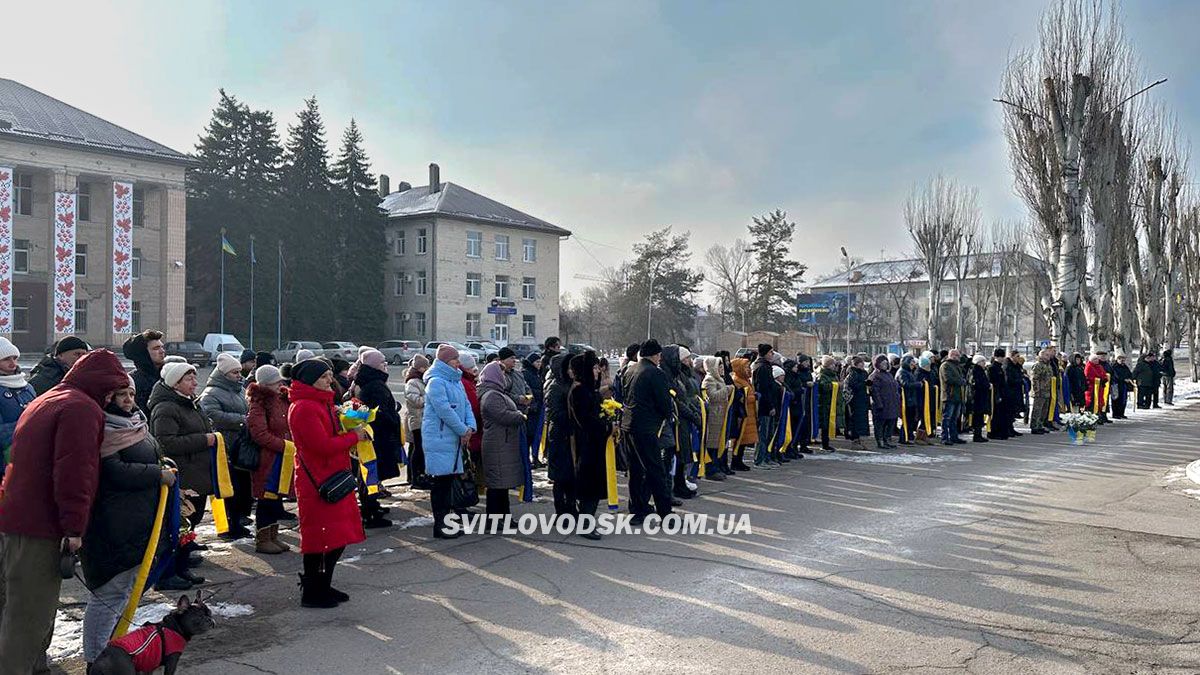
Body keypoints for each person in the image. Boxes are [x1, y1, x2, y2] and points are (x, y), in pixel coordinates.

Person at [0, 349, 130, 673]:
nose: (113, 397)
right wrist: (74, 528)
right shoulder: (81, 409)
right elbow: (74, 473)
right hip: (42, 526)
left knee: (13, 608)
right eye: (112, 389)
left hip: (15, 518)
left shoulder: (49, 398)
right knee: (28, 619)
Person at [79, 379, 176, 665]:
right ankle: (96, 659)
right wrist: (156, 474)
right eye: (121, 394)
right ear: (108, 397)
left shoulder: (134, 423)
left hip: (137, 521)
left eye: (131, 393)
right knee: (108, 593)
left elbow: (149, 455)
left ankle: (114, 651)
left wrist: (164, 465)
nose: (127, 400)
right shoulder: (102, 429)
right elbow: (114, 471)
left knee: (125, 590)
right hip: (112, 524)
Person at [288, 359, 368, 608]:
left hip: (334, 477)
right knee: (320, 539)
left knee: (336, 537)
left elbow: (337, 429)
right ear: (310, 381)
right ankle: (312, 590)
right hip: (318, 482)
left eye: (329, 376)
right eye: (323, 377)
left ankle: (323, 584)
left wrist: (355, 415)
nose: (329, 381)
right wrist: (353, 437)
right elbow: (320, 446)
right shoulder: (304, 408)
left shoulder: (324, 404)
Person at [149, 361, 215, 590]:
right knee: (176, 527)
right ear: (175, 383)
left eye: (194, 378)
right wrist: (204, 440)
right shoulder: (166, 407)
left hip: (197, 474)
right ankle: (167, 574)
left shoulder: (190, 403)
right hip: (182, 477)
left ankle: (181, 568)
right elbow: (165, 442)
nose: (195, 383)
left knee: (190, 524)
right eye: (189, 379)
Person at [421, 345, 476, 539]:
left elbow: (466, 405)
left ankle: (448, 523)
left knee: (449, 483)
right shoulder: (436, 382)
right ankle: (441, 525)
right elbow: (444, 410)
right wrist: (463, 429)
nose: (458, 363)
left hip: (454, 439)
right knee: (441, 485)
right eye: (454, 359)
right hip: (441, 439)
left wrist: (470, 427)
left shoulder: (456, 380)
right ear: (445, 361)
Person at [619, 340, 675, 524]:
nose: (660, 359)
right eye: (659, 355)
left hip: (628, 425)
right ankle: (665, 513)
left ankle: (637, 509)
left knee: (635, 470)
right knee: (655, 470)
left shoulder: (630, 370)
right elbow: (664, 402)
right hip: (647, 428)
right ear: (655, 355)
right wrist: (668, 416)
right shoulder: (655, 373)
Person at [199, 353, 252, 540]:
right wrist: (241, 421)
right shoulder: (211, 393)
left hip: (239, 446)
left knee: (239, 488)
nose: (239, 375)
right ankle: (226, 526)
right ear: (224, 374)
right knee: (225, 489)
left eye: (239, 371)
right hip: (223, 447)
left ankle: (237, 521)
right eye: (234, 372)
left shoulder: (238, 390)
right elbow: (211, 414)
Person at [350, 349, 402, 528]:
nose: (385, 365)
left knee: (369, 473)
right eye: (382, 363)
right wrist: (391, 416)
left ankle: (371, 506)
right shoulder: (375, 384)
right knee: (370, 474)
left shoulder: (365, 381)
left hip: (372, 435)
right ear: (373, 366)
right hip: (377, 436)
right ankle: (369, 511)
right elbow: (377, 411)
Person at [247, 365, 293, 554]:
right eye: (276, 382)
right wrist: (285, 445)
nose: (280, 384)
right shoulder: (258, 403)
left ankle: (273, 535)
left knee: (275, 498)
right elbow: (259, 434)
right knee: (266, 497)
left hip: (283, 457)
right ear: (266, 384)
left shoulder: (281, 398)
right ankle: (263, 538)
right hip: (268, 459)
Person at [478, 361, 527, 522]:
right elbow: (502, 415)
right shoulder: (492, 395)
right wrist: (520, 416)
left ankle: (504, 517)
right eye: (502, 374)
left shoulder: (497, 393)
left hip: (502, 443)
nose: (505, 377)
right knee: (496, 486)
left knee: (501, 485)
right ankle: (495, 519)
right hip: (497, 444)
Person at [567, 351, 607, 539]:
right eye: (593, 367)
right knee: (589, 486)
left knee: (594, 486)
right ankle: (585, 524)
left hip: (595, 444)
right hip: (586, 445)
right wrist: (606, 426)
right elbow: (586, 421)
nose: (597, 371)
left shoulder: (590, 390)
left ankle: (588, 521)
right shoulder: (579, 391)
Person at [0, 338, 36, 478]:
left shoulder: (27, 387)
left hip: (28, 460)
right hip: (4, 466)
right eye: (6, 359)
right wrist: (27, 421)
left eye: (15, 358)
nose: (12, 363)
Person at [545, 353, 575, 514]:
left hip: (570, 436)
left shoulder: (571, 384)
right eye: (569, 368)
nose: (572, 371)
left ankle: (571, 506)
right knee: (560, 477)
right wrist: (574, 415)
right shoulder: (555, 387)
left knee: (571, 476)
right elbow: (554, 414)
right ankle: (561, 511)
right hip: (559, 436)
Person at [402, 354, 431, 489]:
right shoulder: (412, 382)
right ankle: (414, 478)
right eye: (426, 366)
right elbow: (415, 400)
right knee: (418, 449)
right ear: (420, 368)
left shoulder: (421, 381)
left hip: (423, 419)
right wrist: (430, 398)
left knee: (420, 449)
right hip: (417, 420)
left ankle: (420, 476)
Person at [700, 356, 731, 480]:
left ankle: (716, 467)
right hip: (713, 416)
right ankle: (710, 469)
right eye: (719, 365)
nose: (722, 367)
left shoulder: (719, 379)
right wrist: (727, 390)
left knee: (717, 443)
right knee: (711, 443)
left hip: (719, 416)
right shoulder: (709, 380)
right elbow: (713, 396)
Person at [123, 330, 167, 413]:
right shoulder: (133, 382)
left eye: (162, 347)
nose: (162, 351)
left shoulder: (168, 376)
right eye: (156, 348)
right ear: (143, 353)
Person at [751, 344, 781, 465]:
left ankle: (767, 457)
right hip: (764, 406)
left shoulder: (766, 366)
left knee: (768, 433)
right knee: (763, 434)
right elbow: (764, 389)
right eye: (770, 352)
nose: (772, 355)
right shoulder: (762, 367)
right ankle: (759, 459)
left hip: (768, 404)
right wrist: (770, 406)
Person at [729, 357, 757, 469]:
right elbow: (741, 398)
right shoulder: (737, 381)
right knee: (739, 440)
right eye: (746, 367)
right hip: (742, 415)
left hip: (749, 414)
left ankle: (739, 461)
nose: (748, 369)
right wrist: (753, 398)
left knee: (744, 441)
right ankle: (735, 461)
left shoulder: (746, 380)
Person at [868, 355, 900, 450]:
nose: (885, 365)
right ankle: (880, 441)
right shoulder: (875, 376)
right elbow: (875, 391)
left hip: (891, 403)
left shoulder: (889, 374)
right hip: (882, 404)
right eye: (882, 363)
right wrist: (879, 403)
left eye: (886, 363)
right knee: (880, 424)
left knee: (890, 423)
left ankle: (887, 440)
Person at [939, 349, 967, 445]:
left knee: (954, 419)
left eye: (958, 355)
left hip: (957, 395)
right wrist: (961, 381)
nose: (957, 357)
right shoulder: (945, 365)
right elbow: (948, 379)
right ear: (951, 355)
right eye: (955, 355)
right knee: (947, 418)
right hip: (949, 395)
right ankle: (944, 437)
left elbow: (961, 377)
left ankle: (954, 436)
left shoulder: (957, 366)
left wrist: (962, 380)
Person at [522, 352, 545, 469]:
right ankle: (528, 459)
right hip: (531, 410)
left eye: (540, 362)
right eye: (537, 362)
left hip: (538, 409)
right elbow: (528, 391)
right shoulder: (526, 374)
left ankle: (534, 458)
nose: (539, 364)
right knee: (529, 435)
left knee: (536, 435)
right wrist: (532, 404)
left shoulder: (536, 374)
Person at [843, 356, 870, 449]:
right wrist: (864, 383)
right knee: (855, 421)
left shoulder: (864, 373)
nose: (862, 365)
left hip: (863, 399)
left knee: (862, 421)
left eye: (863, 363)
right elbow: (853, 386)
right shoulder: (852, 373)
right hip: (855, 400)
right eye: (860, 363)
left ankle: (860, 440)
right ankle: (855, 441)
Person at [896, 355, 923, 446]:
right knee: (906, 420)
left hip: (911, 399)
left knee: (910, 420)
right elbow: (905, 384)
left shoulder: (908, 372)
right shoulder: (902, 372)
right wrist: (918, 384)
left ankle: (908, 436)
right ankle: (903, 438)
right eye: (911, 363)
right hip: (906, 400)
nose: (913, 365)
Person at [1029, 350, 1054, 434]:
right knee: (1037, 410)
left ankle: (1040, 425)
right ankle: (1034, 426)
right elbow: (1034, 379)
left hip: (1047, 390)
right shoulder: (1038, 365)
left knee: (1044, 410)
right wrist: (1036, 390)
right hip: (1039, 391)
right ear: (1041, 356)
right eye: (1046, 355)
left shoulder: (1048, 365)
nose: (1048, 357)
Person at [969, 355, 992, 443]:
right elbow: (978, 383)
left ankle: (978, 434)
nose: (984, 363)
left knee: (979, 416)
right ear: (978, 362)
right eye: (983, 361)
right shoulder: (976, 370)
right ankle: (977, 435)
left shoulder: (979, 370)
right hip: (978, 397)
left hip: (980, 396)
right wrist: (987, 386)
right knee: (978, 416)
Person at [1005, 352, 1026, 435]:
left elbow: (1020, 374)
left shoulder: (1017, 366)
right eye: (1017, 356)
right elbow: (1009, 379)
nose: (1018, 358)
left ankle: (1011, 428)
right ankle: (1008, 428)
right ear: (1012, 357)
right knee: (1009, 412)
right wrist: (1019, 381)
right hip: (1010, 391)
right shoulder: (1007, 366)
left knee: (1014, 411)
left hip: (1016, 391)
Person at [1112, 354, 1134, 419]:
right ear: (1117, 360)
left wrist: (1129, 379)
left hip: (1124, 386)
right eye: (1121, 359)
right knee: (1116, 400)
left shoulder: (1125, 367)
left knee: (1123, 400)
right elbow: (1115, 376)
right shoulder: (1115, 367)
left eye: (1123, 360)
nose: (1122, 361)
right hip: (1117, 385)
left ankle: (1121, 413)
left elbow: (1129, 374)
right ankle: (1116, 414)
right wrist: (1123, 379)